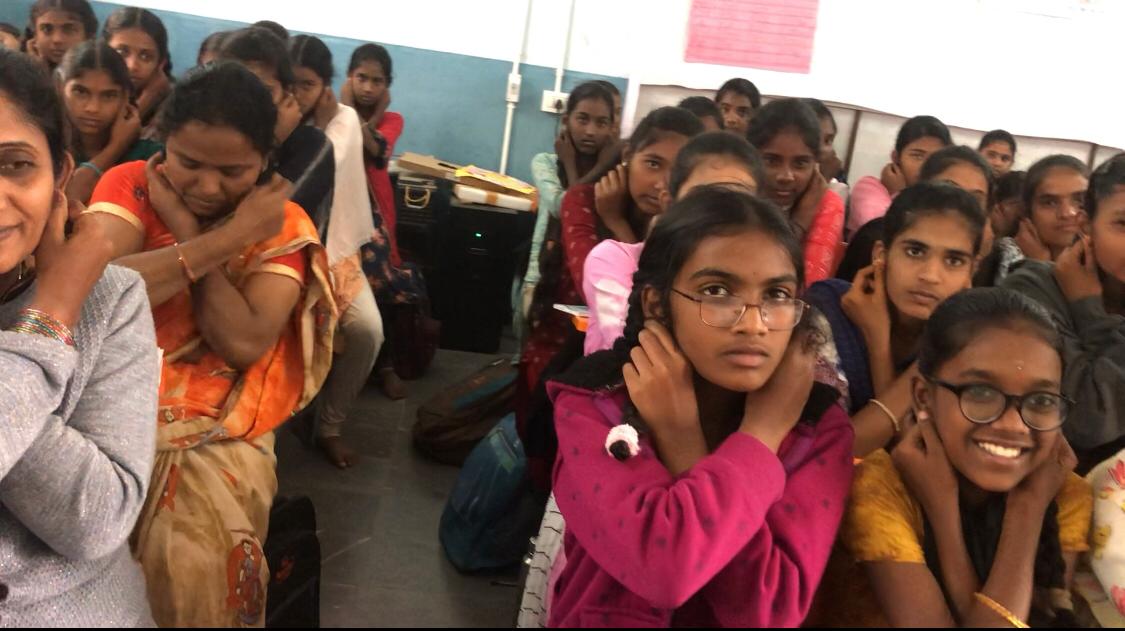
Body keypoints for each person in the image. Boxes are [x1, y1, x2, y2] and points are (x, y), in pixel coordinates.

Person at [86, 61, 337, 627]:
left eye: (232, 171)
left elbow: (243, 341)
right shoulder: (132, 184)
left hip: (216, 428)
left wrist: (193, 234)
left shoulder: (284, 223)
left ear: (266, 162)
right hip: (99, 403)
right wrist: (228, 238)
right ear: (161, 143)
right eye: (189, 163)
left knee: (187, 562)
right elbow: (92, 291)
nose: (204, 186)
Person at [547, 186, 854, 627]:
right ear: (656, 303)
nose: (753, 323)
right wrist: (759, 438)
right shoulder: (596, 404)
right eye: (717, 290)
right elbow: (666, 570)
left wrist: (699, 443)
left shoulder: (818, 430)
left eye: (777, 295)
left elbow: (768, 614)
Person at [0, 46, 159, 628]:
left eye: (14, 164)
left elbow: (98, 521)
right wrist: (50, 317)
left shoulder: (108, 299)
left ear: (60, 175)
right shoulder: (71, 298)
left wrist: (58, 306)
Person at [831, 288, 1090, 627]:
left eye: (1041, 400)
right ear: (924, 397)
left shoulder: (1061, 491)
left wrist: (1026, 510)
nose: (1013, 425)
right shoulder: (877, 488)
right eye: (980, 393)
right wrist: (946, 512)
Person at [520, 106, 703, 407]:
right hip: (567, 355)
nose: (662, 183)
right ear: (628, 155)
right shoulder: (583, 200)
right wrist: (615, 221)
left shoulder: (690, 225)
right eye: (653, 164)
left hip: (649, 373)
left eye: (679, 172)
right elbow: (595, 287)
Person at [806, 183, 984, 457]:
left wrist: (881, 344)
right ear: (881, 254)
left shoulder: (968, 342)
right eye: (914, 251)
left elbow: (919, 455)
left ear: (971, 272)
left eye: (954, 261)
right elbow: (832, 454)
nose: (930, 275)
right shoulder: (827, 311)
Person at [290, 34, 384, 468]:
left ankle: (329, 424)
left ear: (326, 86)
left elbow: (322, 164)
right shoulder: (269, 117)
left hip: (334, 253)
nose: (296, 96)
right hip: (283, 251)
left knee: (368, 331)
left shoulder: (343, 119)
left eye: (307, 85)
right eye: (288, 85)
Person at [583, 131, 763, 355]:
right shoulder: (614, 260)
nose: (718, 214)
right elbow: (636, 353)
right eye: (702, 199)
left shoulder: (760, 281)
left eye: (736, 201)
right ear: (669, 204)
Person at [1003, 154, 1125, 471]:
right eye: (1123, 224)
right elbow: (1088, 421)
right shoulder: (1031, 288)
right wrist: (1091, 313)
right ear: (1087, 225)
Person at [521, 82, 617, 337]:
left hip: (592, 283)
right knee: (530, 356)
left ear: (612, 128)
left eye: (601, 123)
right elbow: (562, 206)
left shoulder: (616, 176)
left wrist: (602, 165)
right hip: (542, 276)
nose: (590, 131)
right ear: (566, 120)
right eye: (582, 119)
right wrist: (570, 164)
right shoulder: (546, 163)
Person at [218, 27, 335, 236]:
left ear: (285, 91)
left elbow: (262, 220)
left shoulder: (313, 145)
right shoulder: (209, 130)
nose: (248, 99)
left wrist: (274, 139)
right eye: (236, 85)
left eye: (265, 90)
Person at [746, 98, 846, 284]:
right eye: (771, 161)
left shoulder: (828, 204)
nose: (786, 176)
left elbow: (803, 290)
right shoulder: (738, 194)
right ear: (751, 156)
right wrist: (799, 224)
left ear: (815, 163)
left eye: (800, 163)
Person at [58, 41, 162, 204]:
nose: (93, 108)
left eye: (108, 95)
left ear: (126, 98)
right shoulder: (47, 147)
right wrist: (115, 148)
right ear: (61, 89)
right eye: (80, 92)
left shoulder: (149, 157)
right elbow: (63, 201)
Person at [342, 43, 403, 265]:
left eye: (377, 81)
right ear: (349, 77)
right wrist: (346, 107)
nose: (368, 88)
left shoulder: (393, 120)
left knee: (379, 274)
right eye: (361, 78)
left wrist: (375, 115)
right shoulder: (334, 113)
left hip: (376, 210)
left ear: (386, 85)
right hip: (342, 209)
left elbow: (374, 148)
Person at [848, 115, 952, 236]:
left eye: (936, 157)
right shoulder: (868, 187)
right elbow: (881, 229)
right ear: (896, 157)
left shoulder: (943, 202)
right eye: (917, 156)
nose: (927, 165)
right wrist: (900, 194)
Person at [103, 7, 173, 133]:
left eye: (145, 56)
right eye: (122, 52)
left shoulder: (172, 109)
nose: (132, 66)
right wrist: (147, 98)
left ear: (160, 64)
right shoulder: (86, 85)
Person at [1010, 155, 1089, 263]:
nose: (1067, 213)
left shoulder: (1112, 267)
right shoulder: (1004, 262)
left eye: (1080, 200)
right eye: (1050, 203)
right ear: (1027, 211)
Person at [801, 97, 849, 201]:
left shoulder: (838, 181)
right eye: (814, 140)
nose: (822, 149)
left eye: (828, 140)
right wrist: (824, 178)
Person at [23, 0, 95, 69]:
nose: (57, 39)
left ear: (88, 36)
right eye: (47, 29)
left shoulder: (101, 75)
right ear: (35, 36)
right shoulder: (16, 72)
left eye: (69, 29)